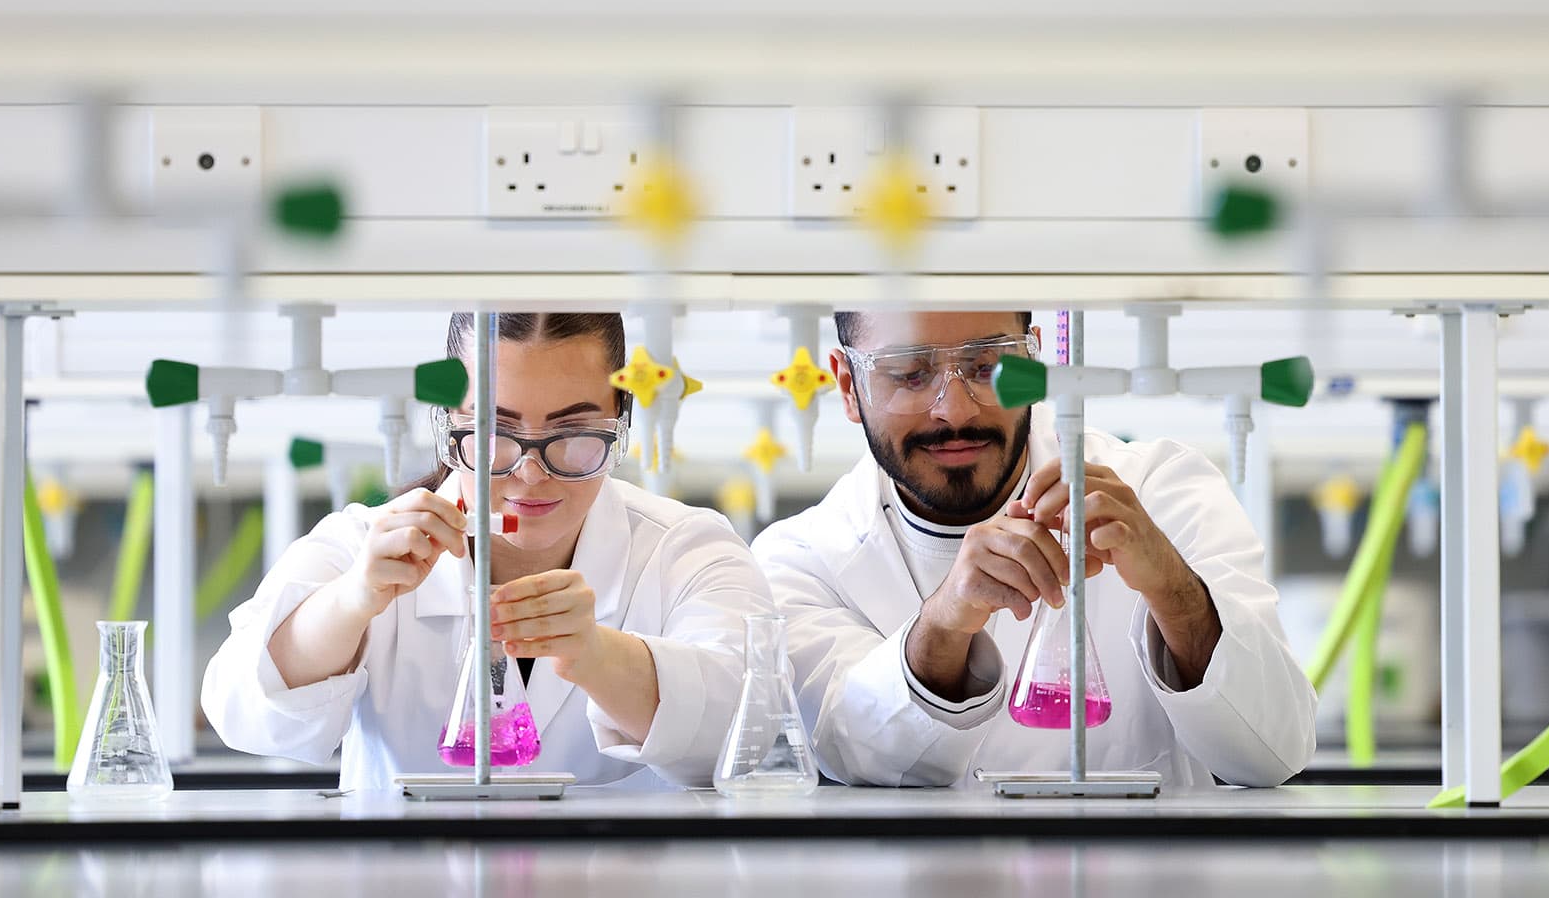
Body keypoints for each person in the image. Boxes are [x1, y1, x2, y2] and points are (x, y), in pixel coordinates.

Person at [203, 311, 772, 791]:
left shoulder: (688, 551)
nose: (529, 474)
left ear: (620, 423)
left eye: (572, 435)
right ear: (447, 423)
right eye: (494, 434)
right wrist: (353, 600)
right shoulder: (360, 545)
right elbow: (241, 711)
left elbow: (747, 735)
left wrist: (597, 655)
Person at [753, 311, 1316, 788]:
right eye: (909, 374)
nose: (956, 411)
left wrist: (1172, 587)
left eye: (986, 368)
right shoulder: (801, 561)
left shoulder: (1162, 490)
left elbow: (1273, 750)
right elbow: (854, 751)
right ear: (848, 387)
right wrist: (945, 625)